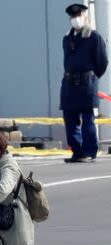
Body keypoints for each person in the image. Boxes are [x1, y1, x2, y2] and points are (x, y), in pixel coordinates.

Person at [61, 3, 108, 163]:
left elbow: (102, 62)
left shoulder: (94, 37)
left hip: (87, 83)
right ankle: (77, 152)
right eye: (73, 16)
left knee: (88, 119)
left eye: (78, 15)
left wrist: (92, 77)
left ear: (85, 16)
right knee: (70, 118)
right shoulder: (67, 38)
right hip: (69, 83)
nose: (76, 19)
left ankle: (89, 151)